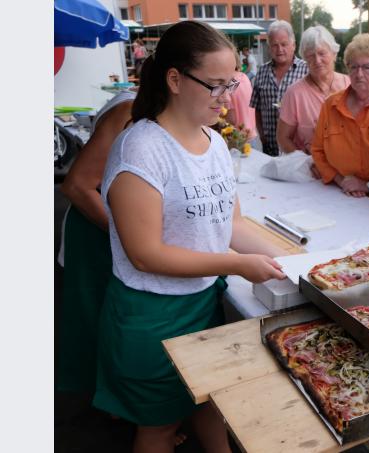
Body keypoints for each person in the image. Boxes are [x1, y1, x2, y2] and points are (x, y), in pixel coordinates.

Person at [94, 21, 286, 452]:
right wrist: (236, 264)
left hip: (201, 303)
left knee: (210, 401)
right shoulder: (141, 149)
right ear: (175, 80)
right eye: (215, 85)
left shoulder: (214, 143)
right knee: (159, 427)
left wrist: (294, 265)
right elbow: (145, 254)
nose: (227, 97)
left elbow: (231, 224)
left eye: (231, 83)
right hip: (152, 315)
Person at [57, 89, 136, 394]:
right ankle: (102, 400)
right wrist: (129, 234)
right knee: (94, 318)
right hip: (95, 227)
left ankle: (109, 397)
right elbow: (76, 186)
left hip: (114, 225)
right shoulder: (129, 110)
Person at [310, 34, 369, 208]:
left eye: (367, 67)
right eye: (354, 67)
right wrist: (341, 181)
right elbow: (317, 150)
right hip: (338, 196)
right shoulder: (331, 105)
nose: (359, 74)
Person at [277, 25, 349, 155]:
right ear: (305, 59)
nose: (317, 60)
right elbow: (283, 138)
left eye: (322, 53)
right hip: (312, 166)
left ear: (334, 54)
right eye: (310, 55)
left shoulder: (349, 85)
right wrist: (306, 161)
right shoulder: (294, 94)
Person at [250, 20, 308, 156]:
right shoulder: (262, 71)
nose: (280, 49)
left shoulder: (306, 70)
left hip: (297, 150)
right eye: (275, 45)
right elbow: (257, 108)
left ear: (293, 45)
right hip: (269, 148)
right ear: (269, 47)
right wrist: (262, 137)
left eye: (284, 44)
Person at [227, 61, 260, 152]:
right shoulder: (244, 77)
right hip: (251, 133)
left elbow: (231, 119)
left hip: (238, 139)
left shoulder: (230, 83)